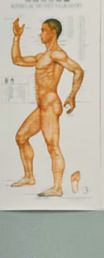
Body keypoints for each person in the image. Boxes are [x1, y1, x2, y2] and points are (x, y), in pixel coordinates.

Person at [11, 18, 84, 197]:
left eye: (43, 30)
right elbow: (17, 60)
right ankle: (29, 177)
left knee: (52, 147)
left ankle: (57, 188)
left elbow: (78, 71)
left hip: (51, 105)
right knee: (21, 137)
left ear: (53, 32)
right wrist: (16, 38)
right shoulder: (41, 56)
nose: (40, 33)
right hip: (41, 107)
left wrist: (72, 95)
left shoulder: (57, 54)